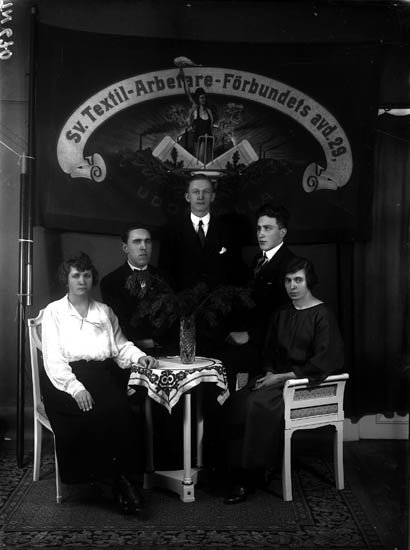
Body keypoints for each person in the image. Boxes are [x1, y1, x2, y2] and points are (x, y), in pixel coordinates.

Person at [40, 252, 158, 515]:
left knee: (120, 410)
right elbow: (53, 359)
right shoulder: (54, 312)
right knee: (92, 413)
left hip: (100, 373)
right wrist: (76, 388)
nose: (82, 280)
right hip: (63, 379)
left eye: (86, 275)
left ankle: (121, 481)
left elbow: (121, 346)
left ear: (92, 278)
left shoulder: (104, 312)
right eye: (76, 275)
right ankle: (113, 483)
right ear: (66, 279)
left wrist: (139, 357)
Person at [223, 257, 344, 504]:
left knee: (256, 403)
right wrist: (269, 373)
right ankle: (235, 469)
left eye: (298, 280)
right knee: (237, 400)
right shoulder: (282, 313)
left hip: (305, 383)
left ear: (309, 282)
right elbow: (268, 352)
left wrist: (280, 377)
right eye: (288, 281)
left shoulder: (322, 315)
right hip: (276, 379)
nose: (292, 286)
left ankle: (250, 475)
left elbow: (322, 362)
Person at [220, 204, 296, 389]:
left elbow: (286, 316)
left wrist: (250, 335)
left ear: (282, 232)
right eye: (259, 229)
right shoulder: (258, 259)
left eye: (268, 228)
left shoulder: (290, 265)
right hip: (251, 339)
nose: (261, 234)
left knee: (230, 364)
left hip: (271, 346)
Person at [159, 174, 246, 296]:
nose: (201, 196)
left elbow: (236, 270)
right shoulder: (171, 230)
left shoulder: (228, 230)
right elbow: (165, 272)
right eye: (196, 192)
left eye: (206, 192)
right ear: (187, 197)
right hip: (183, 302)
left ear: (212, 197)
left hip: (219, 302)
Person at [100, 224, 167, 356]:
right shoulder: (111, 282)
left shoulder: (165, 278)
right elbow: (121, 326)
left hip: (166, 351)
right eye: (137, 242)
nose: (143, 247)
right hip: (131, 354)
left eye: (147, 241)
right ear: (125, 247)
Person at [179, 67, 214, 163]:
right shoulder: (195, 109)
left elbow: (211, 125)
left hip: (208, 138)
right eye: (201, 98)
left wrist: (210, 135)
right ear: (198, 98)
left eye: (204, 97)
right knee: (198, 159)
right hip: (198, 138)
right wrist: (184, 78)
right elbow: (188, 93)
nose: (203, 99)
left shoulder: (208, 111)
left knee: (205, 159)